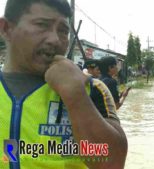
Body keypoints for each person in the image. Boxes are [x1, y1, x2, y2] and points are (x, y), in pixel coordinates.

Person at [0, 0, 127, 168]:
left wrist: (76, 96)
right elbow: (9, 154)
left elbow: (113, 163)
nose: (55, 39)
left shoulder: (92, 89)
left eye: (63, 30)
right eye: (41, 25)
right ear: (6, 29)